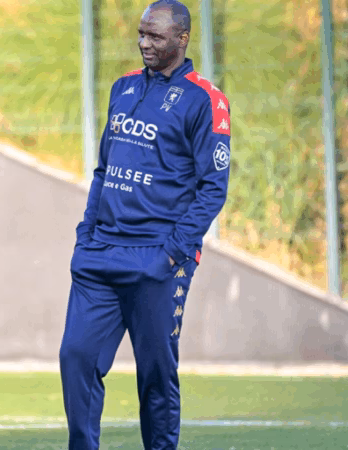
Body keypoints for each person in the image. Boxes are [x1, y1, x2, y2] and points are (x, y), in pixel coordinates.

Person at [58, 1, 231, 448]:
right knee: (76, 357)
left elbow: (213, 188)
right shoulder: (123, 87)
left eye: (155, 36)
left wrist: (172, 252)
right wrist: (85, 235)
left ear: (182, 38)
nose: (144, 43)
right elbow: (103, 170)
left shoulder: (206, 100)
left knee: (155, 373)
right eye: (141, 34)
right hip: (100, 254)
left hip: (158, 256)